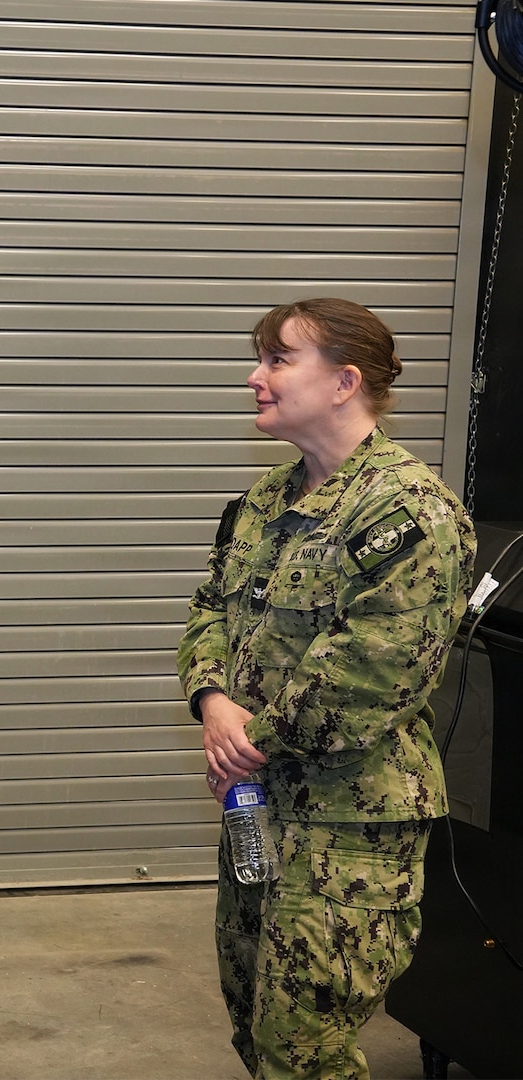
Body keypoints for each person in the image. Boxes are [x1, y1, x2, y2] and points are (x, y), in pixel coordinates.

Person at [177, 298, 475, 1079]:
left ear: (345, 381)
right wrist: (213, 704)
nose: (255, 377)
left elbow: (371, 676)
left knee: (303, 1051)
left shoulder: (411, 513)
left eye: (278, 360)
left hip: (349, 829)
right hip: (256, 811)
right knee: (254, 1029)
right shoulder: (267, 501)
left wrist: (244, 742)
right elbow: (209, 610)